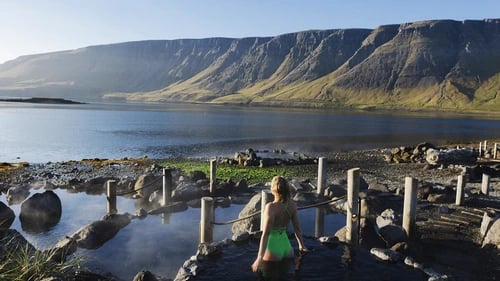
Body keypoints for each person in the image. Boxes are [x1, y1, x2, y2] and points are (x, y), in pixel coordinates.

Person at [251, 176, 309, 279]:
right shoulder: (292, 205)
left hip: (273, 247)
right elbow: (297, 229)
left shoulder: (271, 207)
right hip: (287, 247)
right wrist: (302, 245)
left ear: (273, 190)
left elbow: (266, 234)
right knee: (284, 275)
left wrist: (259, 258)